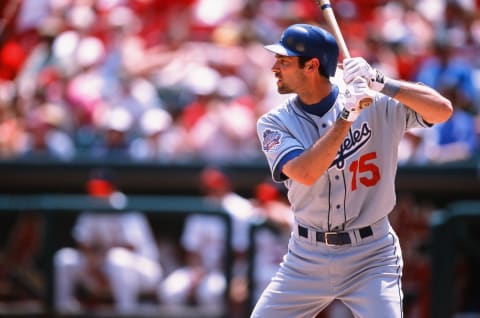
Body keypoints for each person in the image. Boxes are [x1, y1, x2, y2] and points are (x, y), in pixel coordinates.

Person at [251, 23, 452, 318]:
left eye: (284, 61)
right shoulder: (274, 122)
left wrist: (383, 82)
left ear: (312, 66)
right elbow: (305, 172)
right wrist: (346, 117)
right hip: (307, 256)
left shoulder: (374, 101)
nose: (274, 68)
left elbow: (442, 110)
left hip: (371, 255)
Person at [53, 169, 163, 314]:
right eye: (93, 187)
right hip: (103, 267)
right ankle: (62, 311)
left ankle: (126, 312)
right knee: (64, 258)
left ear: (112, 188)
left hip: (143, 270)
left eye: (101, 187)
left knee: (117, 258)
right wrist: (94, 264)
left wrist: (99, 262)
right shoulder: (91, 206)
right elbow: (82, 242)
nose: (96, 191)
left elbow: (130, 246)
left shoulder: (123, 205)